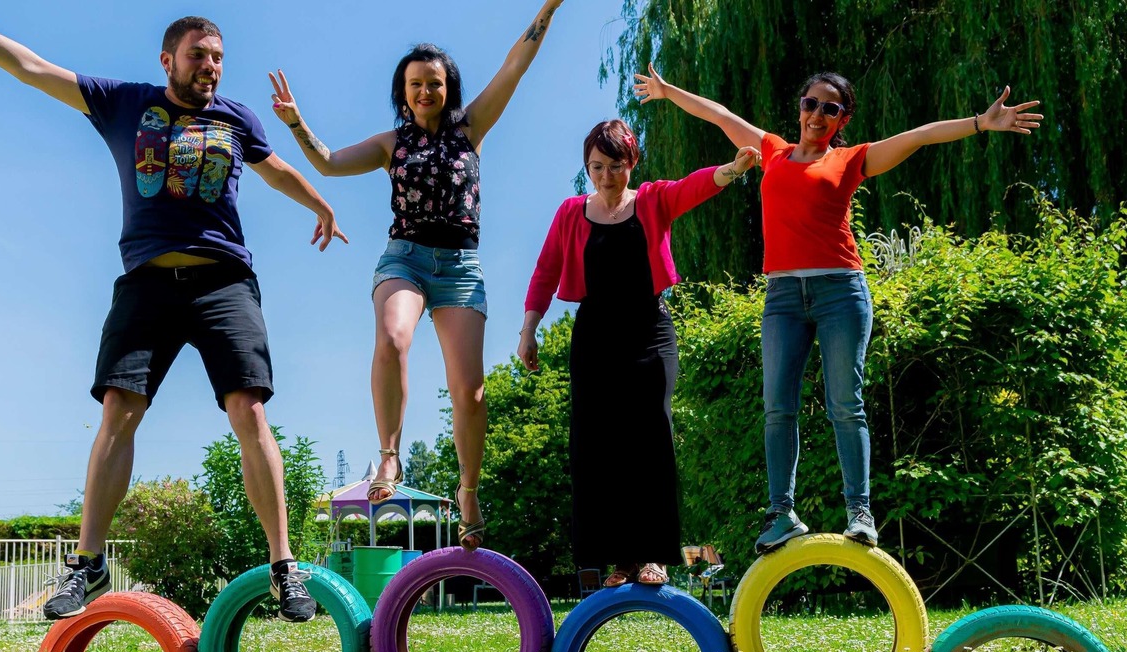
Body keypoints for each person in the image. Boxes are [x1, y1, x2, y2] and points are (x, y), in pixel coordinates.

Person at [0, 1, 349, 621]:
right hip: (147, 283)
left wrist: (321, 204)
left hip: (223, 281)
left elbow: (275, 168)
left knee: (248, 408)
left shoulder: (236, 118)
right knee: (118, 410)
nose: (211, 67)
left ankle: (284, 566)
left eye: (219, 58)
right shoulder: (126, 103)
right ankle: (87, 564)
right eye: (199, 56)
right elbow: (30, 68)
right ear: (168, 60)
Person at [634, 64, 1042, 554]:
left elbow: (918, 136)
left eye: (831, 108)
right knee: (777, 409)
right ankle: (781, 513)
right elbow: (717, 113)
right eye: (811, 103)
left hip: (840, 292)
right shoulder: (772, 151)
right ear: (800, 108)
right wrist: (665, 89)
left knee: (845, 404)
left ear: (842, 118)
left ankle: (860, 512)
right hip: (783, 297)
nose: (818, 114)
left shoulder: (852, 160)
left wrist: (979, 122)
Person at [266, 0, 566, 550]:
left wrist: (548, 8)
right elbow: (328, 162)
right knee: (392, 336)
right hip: (403, 257)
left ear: (448, 86)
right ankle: (388, 456)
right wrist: (296, 123)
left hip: (459, 266)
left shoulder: (471, 128)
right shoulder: (391, 144)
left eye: (433, 83)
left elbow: (514, 65)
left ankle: (469, 490)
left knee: (469, 393)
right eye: (414, 85)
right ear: (401, 91)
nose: (424, 92)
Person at [519, 119, 759, 585]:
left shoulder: (650, 200)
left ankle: (653, 555)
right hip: (595, 336)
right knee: (598, 447)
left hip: (649, 330)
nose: (606, 176)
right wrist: (529, 329)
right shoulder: (571, 212)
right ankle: (620, 560)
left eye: (615, 166)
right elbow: (545, 271)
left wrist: (732, 169)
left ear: (631, 163)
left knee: (651, 438)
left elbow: (692, 188)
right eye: (596, 167)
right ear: (587, 167)